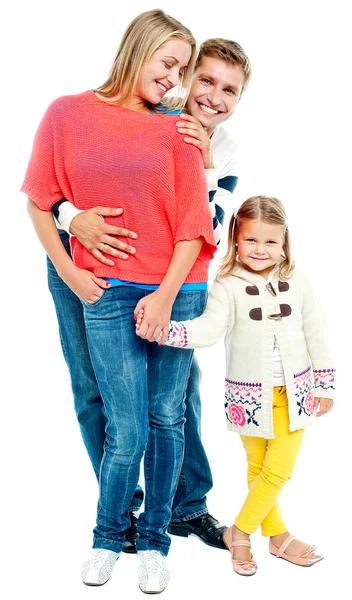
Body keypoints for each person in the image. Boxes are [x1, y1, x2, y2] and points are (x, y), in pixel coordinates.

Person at [21, 9, 217, 593]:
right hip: (93, 285)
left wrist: (165, 294)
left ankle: (163, 528)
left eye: (183, 69)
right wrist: (71, 268)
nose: (175, 79)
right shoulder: (66, 113)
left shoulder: (177, 127)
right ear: (138, 49)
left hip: (170, 288)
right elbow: (39, 199)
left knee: (168, 413)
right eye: (168, 63)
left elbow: (193, 222)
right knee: (114, 414)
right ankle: (112, 533)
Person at [51, 38, 252, 551]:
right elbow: (60, 186)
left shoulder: (222, 150)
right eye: (204, 79)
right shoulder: (146, 109)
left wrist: (202, 163)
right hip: (84, 264)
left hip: (169, 279)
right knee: (92, 385)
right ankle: (121, 506)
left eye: (229, 89)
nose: (213, 96)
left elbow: (206, 226)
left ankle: (186, 506)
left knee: (178, 394)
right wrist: (75, 220)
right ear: (185, 77)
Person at [138, 195, 335, 575]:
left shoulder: (295, 281)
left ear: (284, 243)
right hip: (249, 398)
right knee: (259, 465)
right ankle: (278, 537)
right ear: (235, 239)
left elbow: (317, 331)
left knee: (278, 469)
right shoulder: (227, 285)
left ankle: (240, 534)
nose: (260, 250)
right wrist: (169, 330)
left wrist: (324, 385)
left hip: (295, 394)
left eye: (270, 242)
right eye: (251, 241)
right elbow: (210, 329)